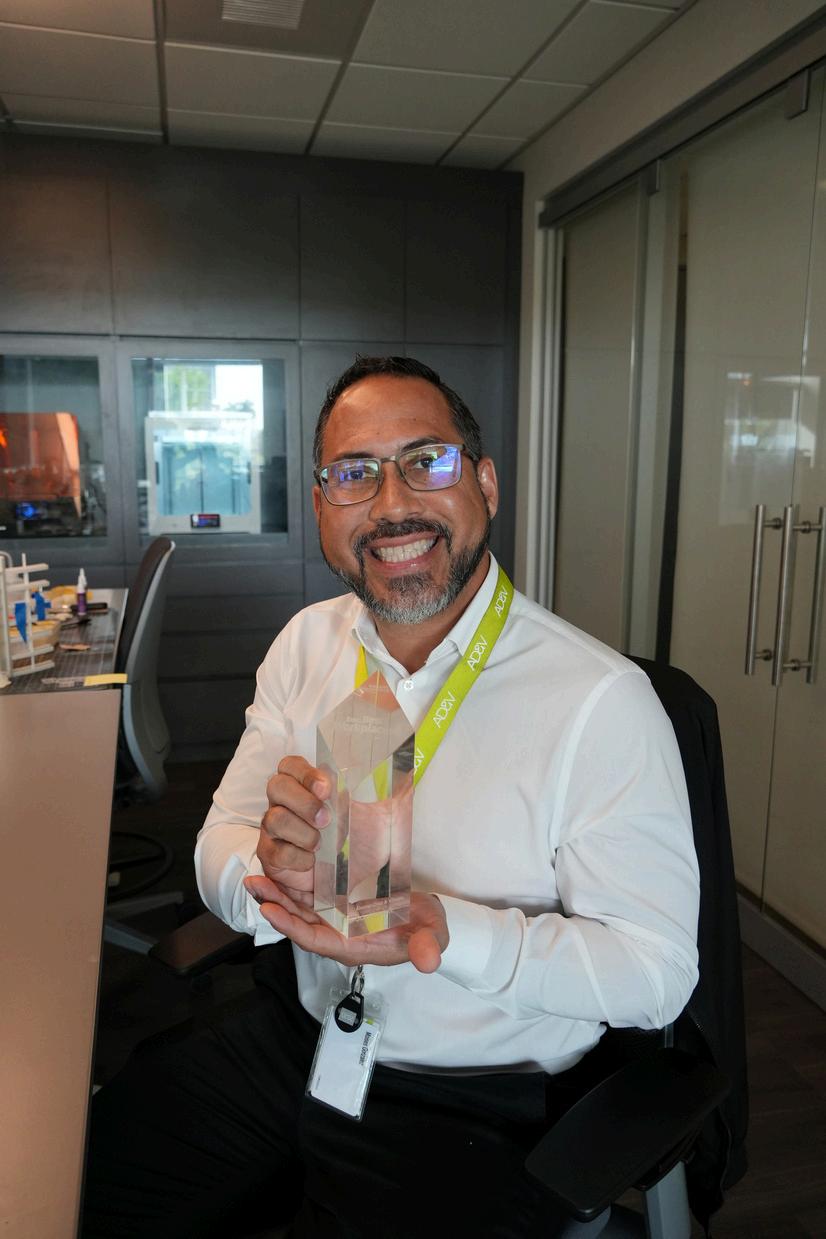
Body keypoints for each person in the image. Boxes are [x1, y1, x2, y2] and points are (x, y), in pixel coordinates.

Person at [83, 356, 700, 1239]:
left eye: (426, 460)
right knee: (70, 1186)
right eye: (353, 473)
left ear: (485, 484)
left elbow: (657, 973)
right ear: (322, 507)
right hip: (302, 1035)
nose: (391, 502)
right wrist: (266, 876)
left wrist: (448, 932)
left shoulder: (600, 702)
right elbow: (220, 840)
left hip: (470, 1098)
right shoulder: (308, 645)